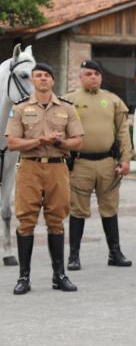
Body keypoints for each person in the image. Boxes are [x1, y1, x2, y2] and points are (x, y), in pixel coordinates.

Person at [7, 63, 84, 295]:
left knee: (57, 220)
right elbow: (12, 143)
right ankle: (24, 277)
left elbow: (78, 141)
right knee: (26, 221)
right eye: (38, 76)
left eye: (46, 76)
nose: (42, 79)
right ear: (32, 81)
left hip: (57, 168)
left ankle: (59, 276)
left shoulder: (67, 108)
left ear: (53, 80)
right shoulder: (20, 108)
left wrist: (59, 142)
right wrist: (40, 141)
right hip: (29, 169)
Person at [63, 59, 132, 270]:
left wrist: (126, 159)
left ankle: (115, 252)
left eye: (97, 74)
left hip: (107, 163)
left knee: (110, 208)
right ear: (80, 76)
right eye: (89, 74)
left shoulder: (112, 100)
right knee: (78, 210)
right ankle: (74, 256)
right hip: (80, 163)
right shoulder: (68, 100)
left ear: (101, 77)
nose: (93, 77)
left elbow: (122, 131)